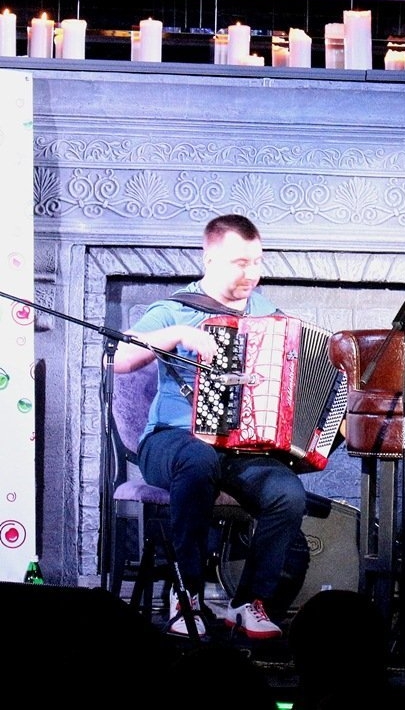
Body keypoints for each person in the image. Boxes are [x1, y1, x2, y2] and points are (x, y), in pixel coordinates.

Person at [113, 214, 308, 639]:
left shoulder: (269, 316)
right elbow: (121, 360)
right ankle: (186, 595)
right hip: (169, 441)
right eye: (241, 263)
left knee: (287, 493)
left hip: (239, 449)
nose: (252, 273)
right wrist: (177, 334)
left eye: (257, 262)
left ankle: (248, 601)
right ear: (211, 260)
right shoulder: (174, 310)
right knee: (198, 460)